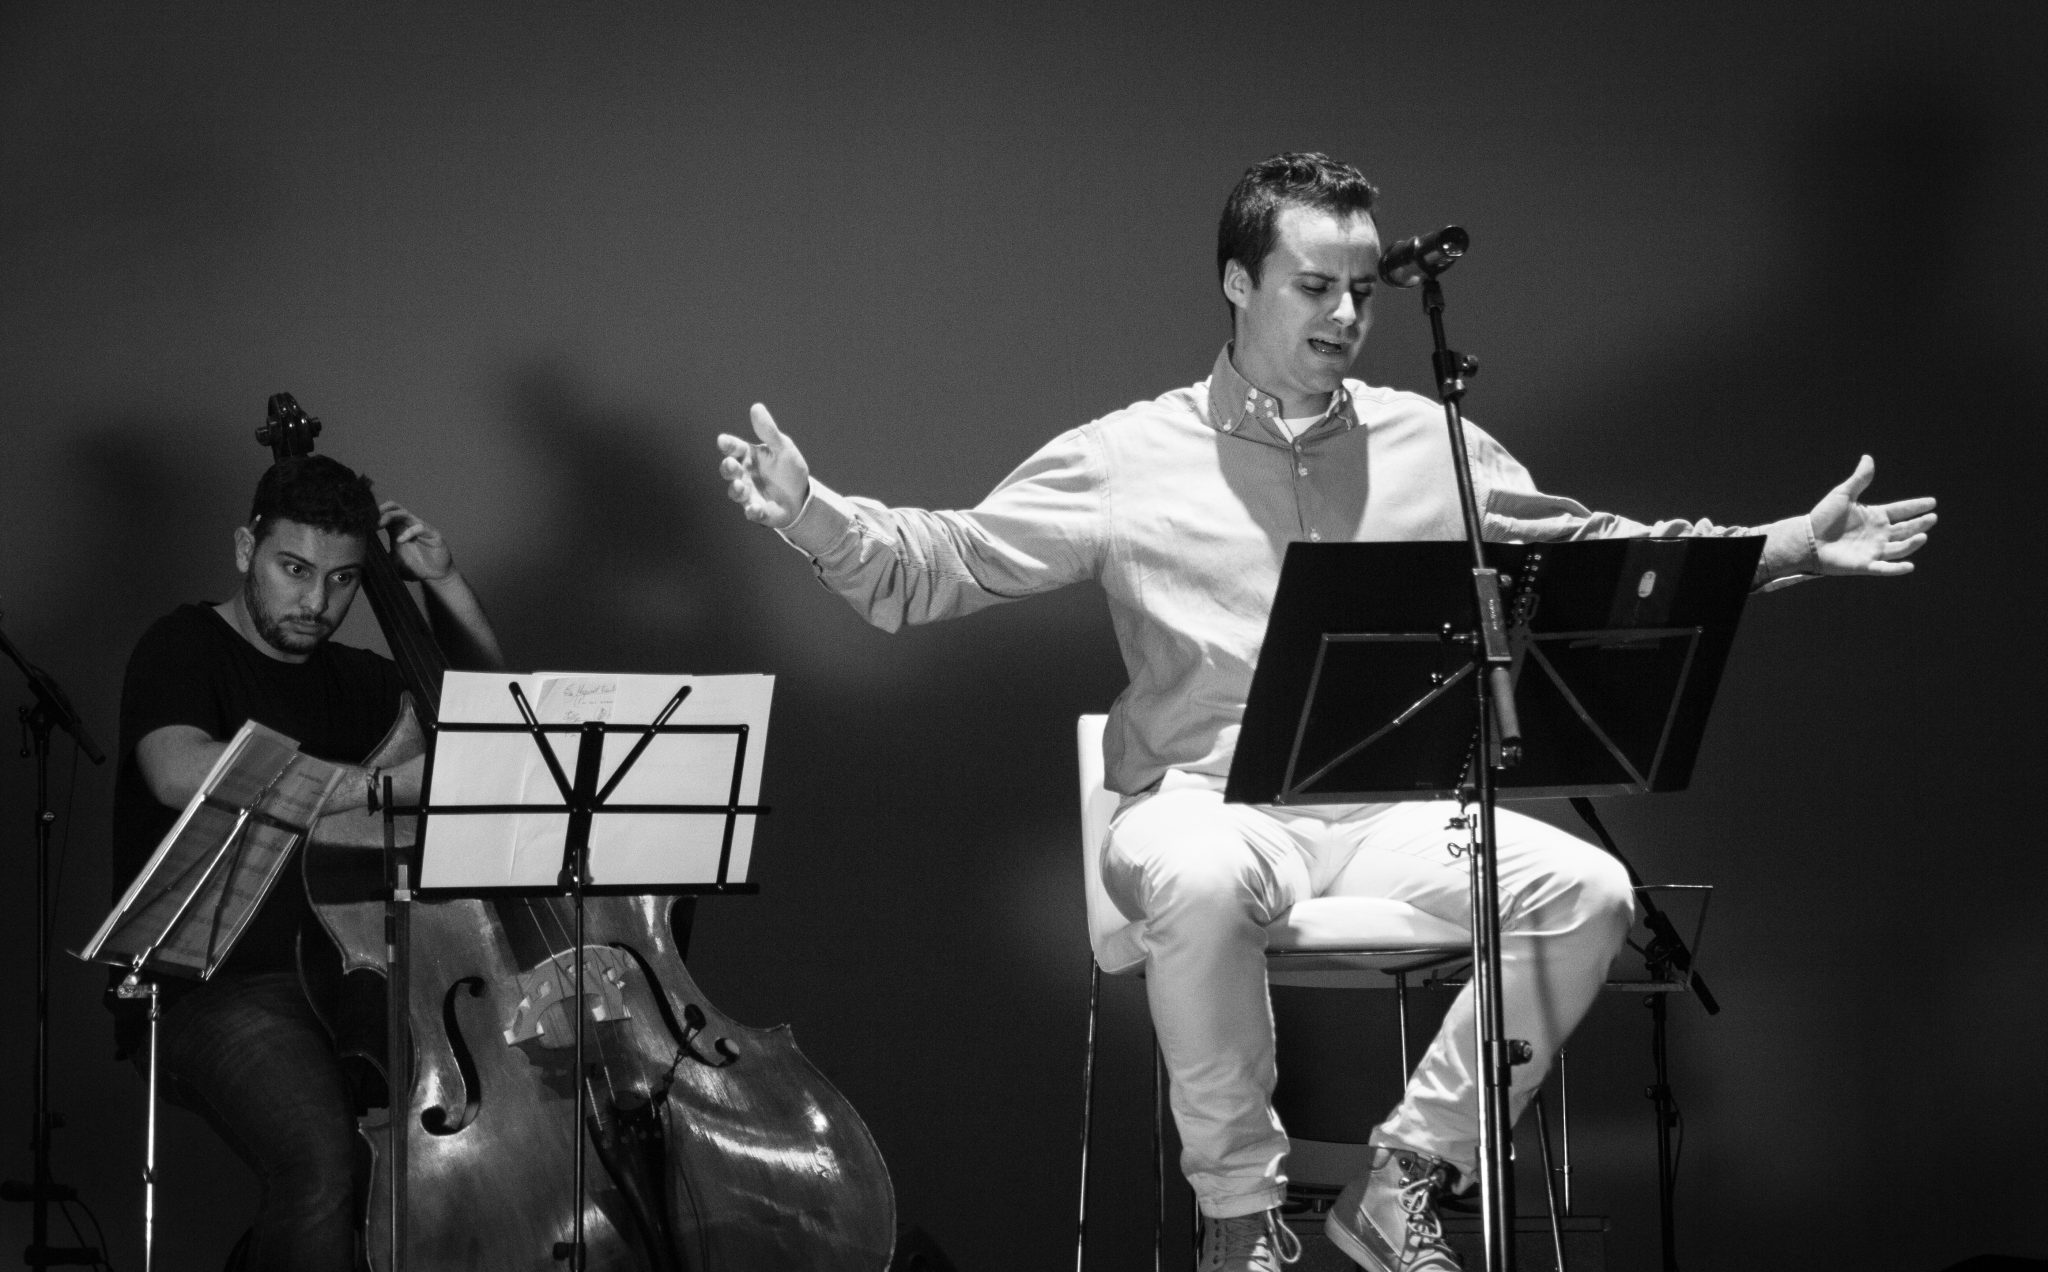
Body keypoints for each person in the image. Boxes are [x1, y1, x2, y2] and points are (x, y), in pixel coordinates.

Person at [714, 152, 1936, 1272]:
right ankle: (1242, 1219)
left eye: (1364, 288)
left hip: (1383, 805)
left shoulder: (1430, 444)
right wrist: (811, 508)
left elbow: (1596, 552)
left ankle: (1401, 1182)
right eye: (1315, 286)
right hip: (1201, 803)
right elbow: (937, 563)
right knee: (1194, 881)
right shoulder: (1129, 453)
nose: (1347, 315)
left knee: (1592, 896)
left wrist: (1779, 549)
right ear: (1238, 284)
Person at [107, 454, 502, 1272]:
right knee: (322, 1157)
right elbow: (180, 770)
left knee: (451, 1146)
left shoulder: (359, 680)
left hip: (355, 981)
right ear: (247, 547)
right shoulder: (183, 645)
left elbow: (495, 724)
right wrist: (381, 788)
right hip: (207, 988)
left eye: (344, 580)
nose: (317, 602)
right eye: (295, 569)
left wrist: (446, 584)